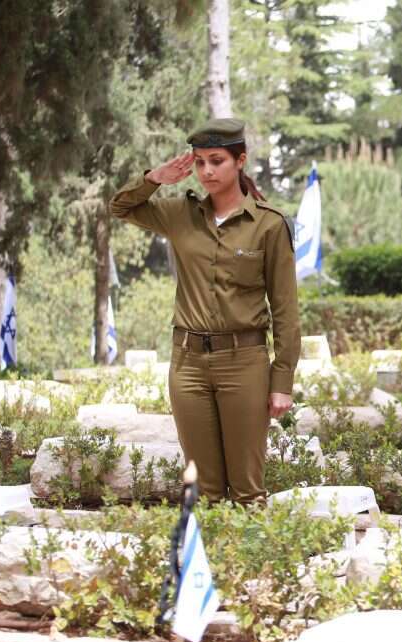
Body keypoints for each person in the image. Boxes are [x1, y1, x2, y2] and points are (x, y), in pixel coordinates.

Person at [109, 118, 300, 504]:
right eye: (199, 162)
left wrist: (281, 381)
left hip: (244, 362)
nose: (207, 171)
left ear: (240, 161)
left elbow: (285, 310)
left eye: (217, 160)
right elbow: (121, 206)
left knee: (248, 491)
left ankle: (254, 566)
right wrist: (155, 179)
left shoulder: (268, 225)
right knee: (204, 490)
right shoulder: (181, 214)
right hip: (188, 366)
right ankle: (210, 563)